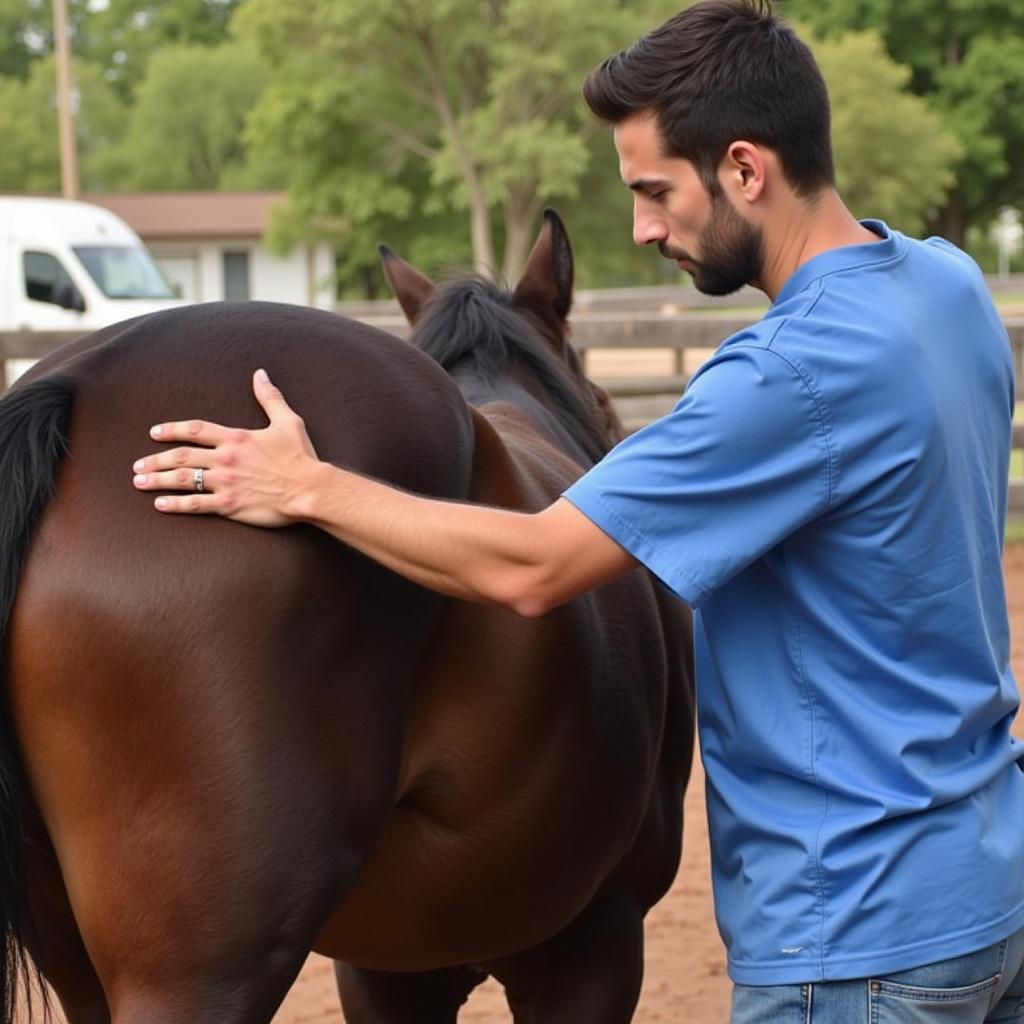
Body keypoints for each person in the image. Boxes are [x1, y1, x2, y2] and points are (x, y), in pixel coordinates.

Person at [131, 1, 1024, 1020]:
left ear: (744, 167)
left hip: (853, 931)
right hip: (985, 886)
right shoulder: (946, 286)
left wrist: (306, 486)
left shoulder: (786, 378)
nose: (644, 229)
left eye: (653, 192)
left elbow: (534, 566)